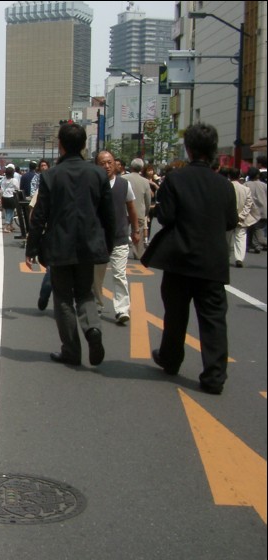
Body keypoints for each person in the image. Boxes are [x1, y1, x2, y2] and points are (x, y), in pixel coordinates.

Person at [142, 123, 238, 395]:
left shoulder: (175, 179)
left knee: (175, 314)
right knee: (213, 320)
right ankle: (214, 376)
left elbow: (166, 217)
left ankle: (171, 359)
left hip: (180, 259)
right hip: (213, 262)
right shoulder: (224, 185)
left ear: (189, 149)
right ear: (213, 151)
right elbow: (230, 221)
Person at [25, 122, 116, 367]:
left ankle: (72, 350)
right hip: (90, 244)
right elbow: (109, 214)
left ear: (60, 145)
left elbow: (40, 215)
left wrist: (31, 248)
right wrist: (109, 243)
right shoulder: (98, 174)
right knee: (85, 292)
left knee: (63, 298)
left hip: (60, 244)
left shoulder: (51, 175)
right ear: (85, 145)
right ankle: (93, 329)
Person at [93, 150, 140, 325]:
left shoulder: (123, 184)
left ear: (115, 164)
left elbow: (132, 209)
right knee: (96, 276)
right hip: (98, 238)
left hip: (119, 237)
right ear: (97, 165)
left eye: (109, 162)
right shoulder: (93, 184)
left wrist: (136, 230)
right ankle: (97, 305)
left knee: (120, 275)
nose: (107, 166)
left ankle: (122, 310)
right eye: (102, 163)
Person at [224, 167, 255, 268]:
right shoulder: (246, 189)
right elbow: (249, 204)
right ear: (239, 176)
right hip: (241, 218)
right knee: (240, 238)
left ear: (229, 176)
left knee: (226, 239)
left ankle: (225, 257)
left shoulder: (226, 187)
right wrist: (242, 215)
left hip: (228, 218)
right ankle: (239, 259)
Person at [124, 158, 151, 259]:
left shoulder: (123, 178)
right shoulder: (145, 182)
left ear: (131, 167)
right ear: (142, 168)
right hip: (139, 211)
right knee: (137, 232)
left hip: (125, 210)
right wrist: (146, 211)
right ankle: (138, 254)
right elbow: (148, 199)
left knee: (122, 231)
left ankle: (120, 251)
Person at [0, 164, 20, 233]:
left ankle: (10, 225)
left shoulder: (4, 180)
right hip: (11, 197)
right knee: (10, 212)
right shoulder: (14, 180)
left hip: (4, 197)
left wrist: (0, 199)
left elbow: (1, 190)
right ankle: (6, 227)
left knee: (8, 211)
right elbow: (17, 189)